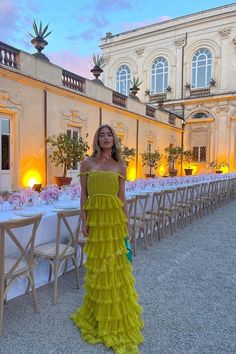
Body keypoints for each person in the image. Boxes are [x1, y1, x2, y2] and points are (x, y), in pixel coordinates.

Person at [71, 124, 144, 354]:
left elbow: (122, 196)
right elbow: (84, 193)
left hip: (113, 221)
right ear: (96, 140)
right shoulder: (87, 163)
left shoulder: (120, 165)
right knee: (98, 268)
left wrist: (126, 223)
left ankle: (115, 314)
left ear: (114, 140)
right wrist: (84, 219)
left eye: (108, 135)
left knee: (115, 267)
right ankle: (98, 311)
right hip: (96, 221)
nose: (105, 138)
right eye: (101, 135)